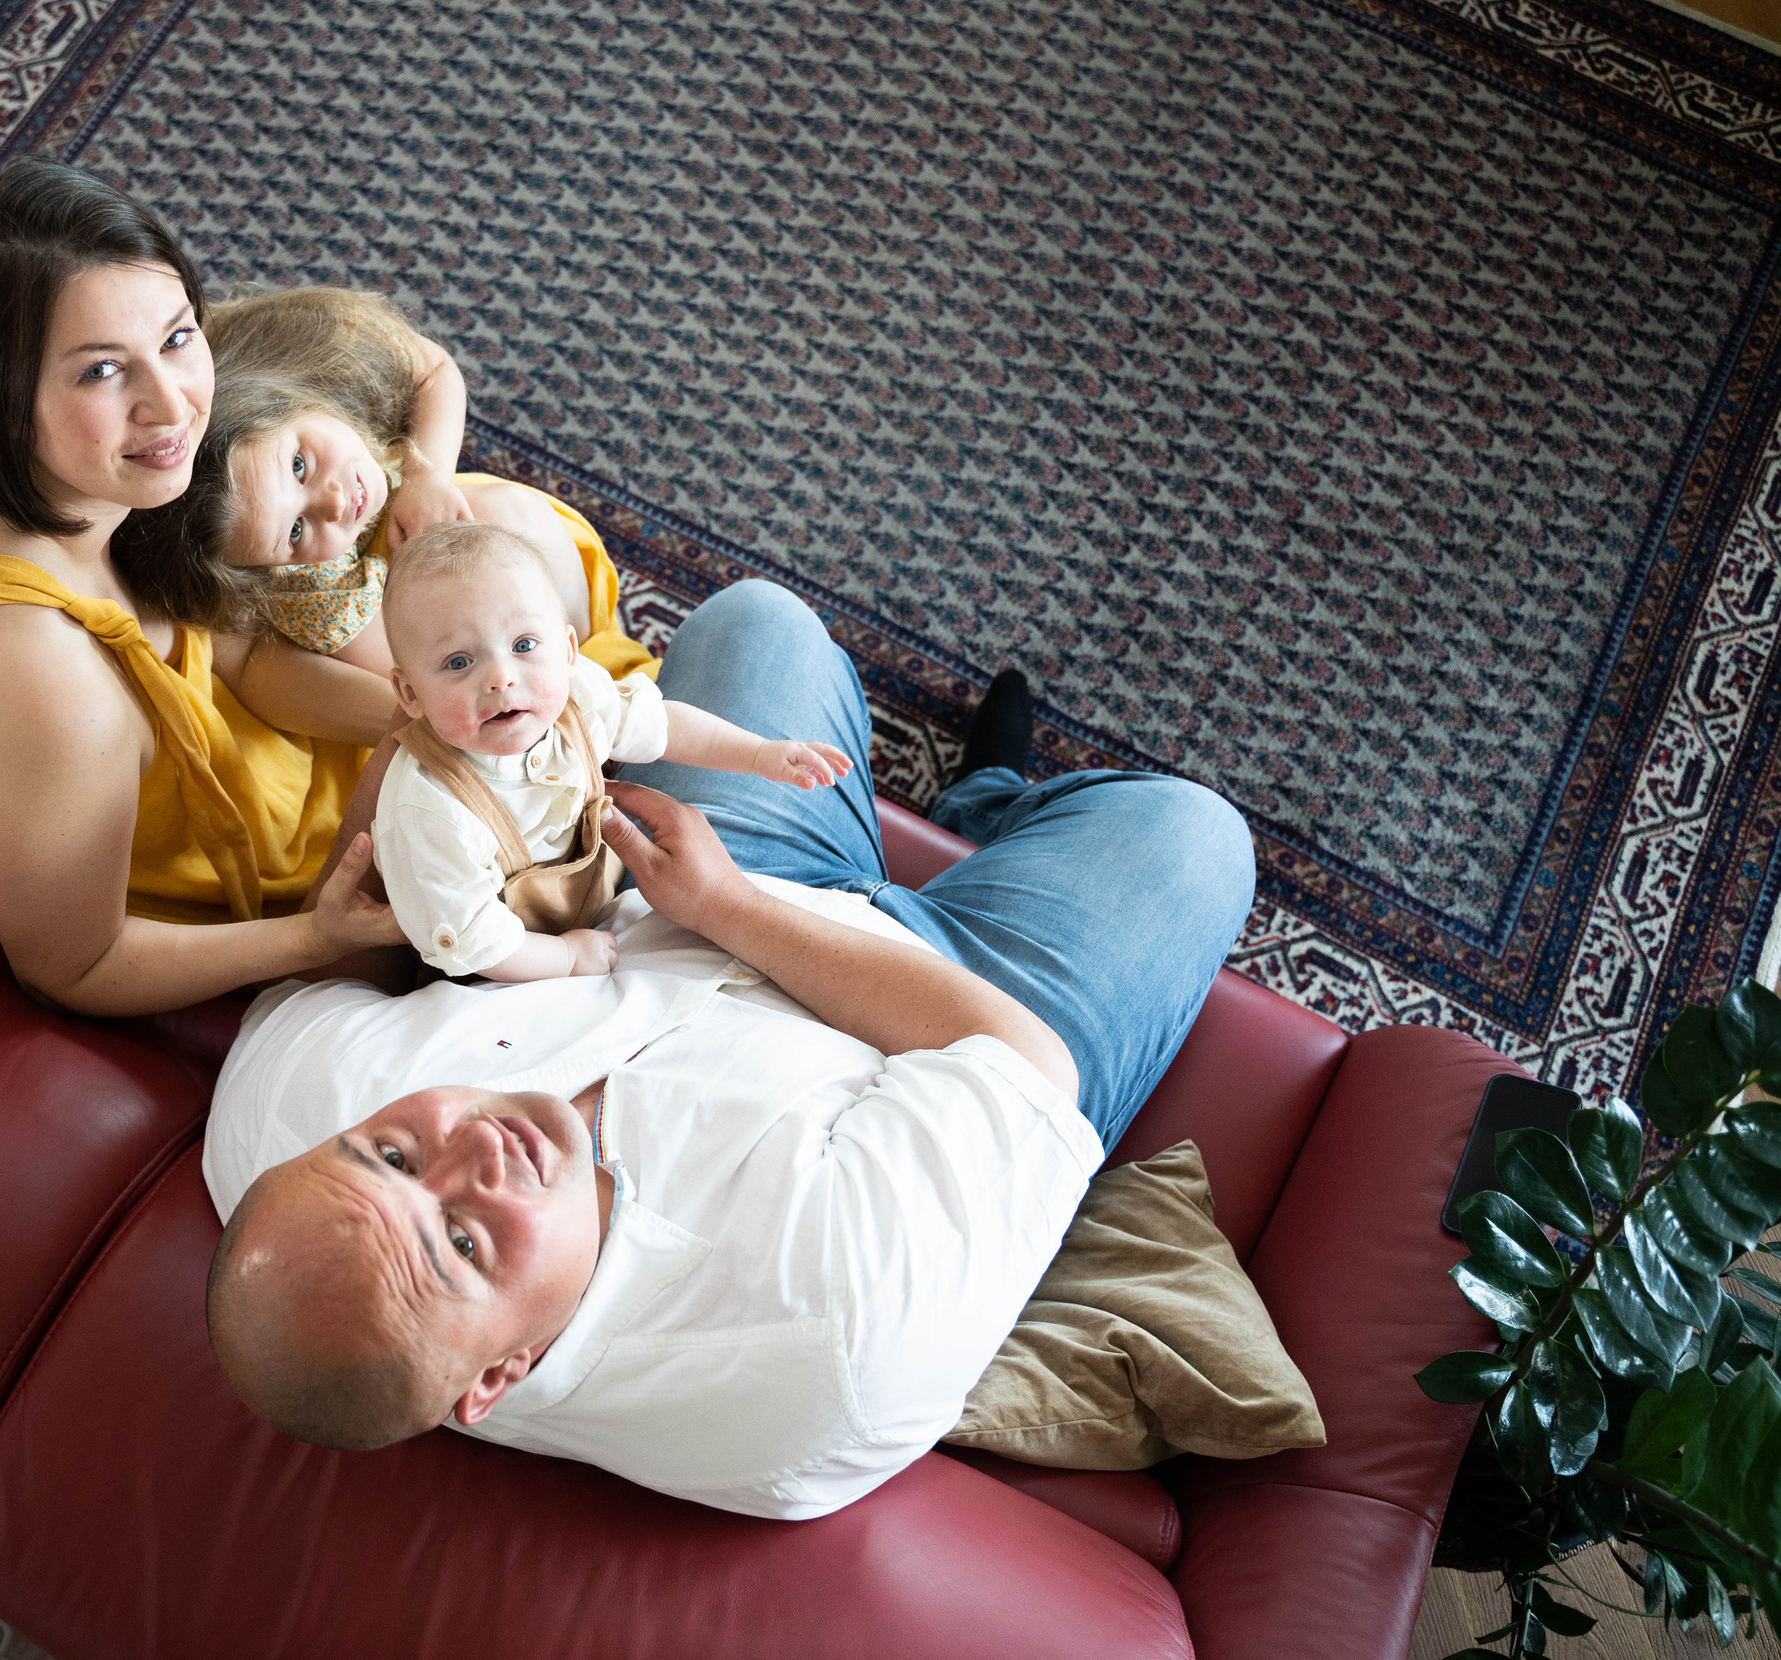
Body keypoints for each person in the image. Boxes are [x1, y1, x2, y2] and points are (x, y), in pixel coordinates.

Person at [202, 580, 1256, 1519]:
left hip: (674, 901)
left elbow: (346, 927)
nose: (475, 1149)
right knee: (1193, 828)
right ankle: (986, 804)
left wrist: (429, 756)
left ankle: (946, 812)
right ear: (497, 1380)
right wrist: (728, 908)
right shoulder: (821, 1341)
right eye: (467, 1243)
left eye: (394, 1152)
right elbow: (1018, 1056)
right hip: (961, 1005)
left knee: (759, 619)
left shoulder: (287, 1125)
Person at [0, 160, 406, 1016]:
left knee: (486, 547)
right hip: (297, 891)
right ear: (1, 403)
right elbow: (78, 965)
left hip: (271, 733)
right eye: (102, 371)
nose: (173, 407)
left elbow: (232, 652)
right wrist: (317, 937)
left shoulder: (60, 477)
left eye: (178, 337)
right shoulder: (47, 692)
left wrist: (413, 717)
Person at [117, 285, 656, 749]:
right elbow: (267, 674)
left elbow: (433, 368)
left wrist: (427, 475)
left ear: (287, 401)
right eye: (297, 530)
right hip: (348, 596)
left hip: (411, 492)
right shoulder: (306, 586)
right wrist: (432, 723)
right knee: (430, 640)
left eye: (300, 465)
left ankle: (589, 669)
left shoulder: (316, 345)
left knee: (508, 517)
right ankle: (519, 728)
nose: (333, 503)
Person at [373, 524, 851, 983]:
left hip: (606, 894)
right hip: (503, 969)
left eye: (524, 644)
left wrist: (759, 754)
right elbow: (477, 941)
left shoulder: (579, 698)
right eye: (459, 662)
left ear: (568, 651)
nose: (501, 677)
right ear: (409, 693)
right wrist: (567, 958)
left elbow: (662, 725)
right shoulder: (431, 809)